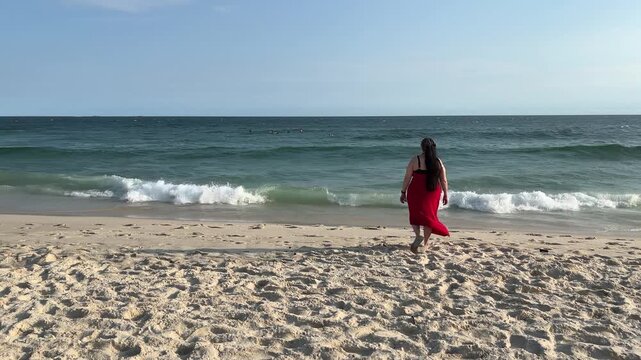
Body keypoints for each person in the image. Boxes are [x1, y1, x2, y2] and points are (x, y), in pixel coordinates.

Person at [400, 137, 450, 252]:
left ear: (422, 147)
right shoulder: (438, 162)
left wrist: (403, 192)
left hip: (415, 190)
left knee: (415, 215)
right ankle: (426, 243)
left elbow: (407, 177)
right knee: (429, 217)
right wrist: (446, 193)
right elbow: (444, 180)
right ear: (434, 147)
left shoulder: (415, 160)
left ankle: (418, 235)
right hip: (432, 192)